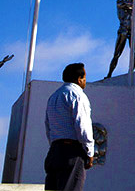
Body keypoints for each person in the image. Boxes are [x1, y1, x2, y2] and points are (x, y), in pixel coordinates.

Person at [45, 63, 94, 191]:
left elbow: (48, 125)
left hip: (55, 151)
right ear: (79, 79)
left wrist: (55, 145)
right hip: (72, 152)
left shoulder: (53, 97)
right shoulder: (78, 95)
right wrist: (89, 151)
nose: (85, 81)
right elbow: (82, 125)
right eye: (84, 78)